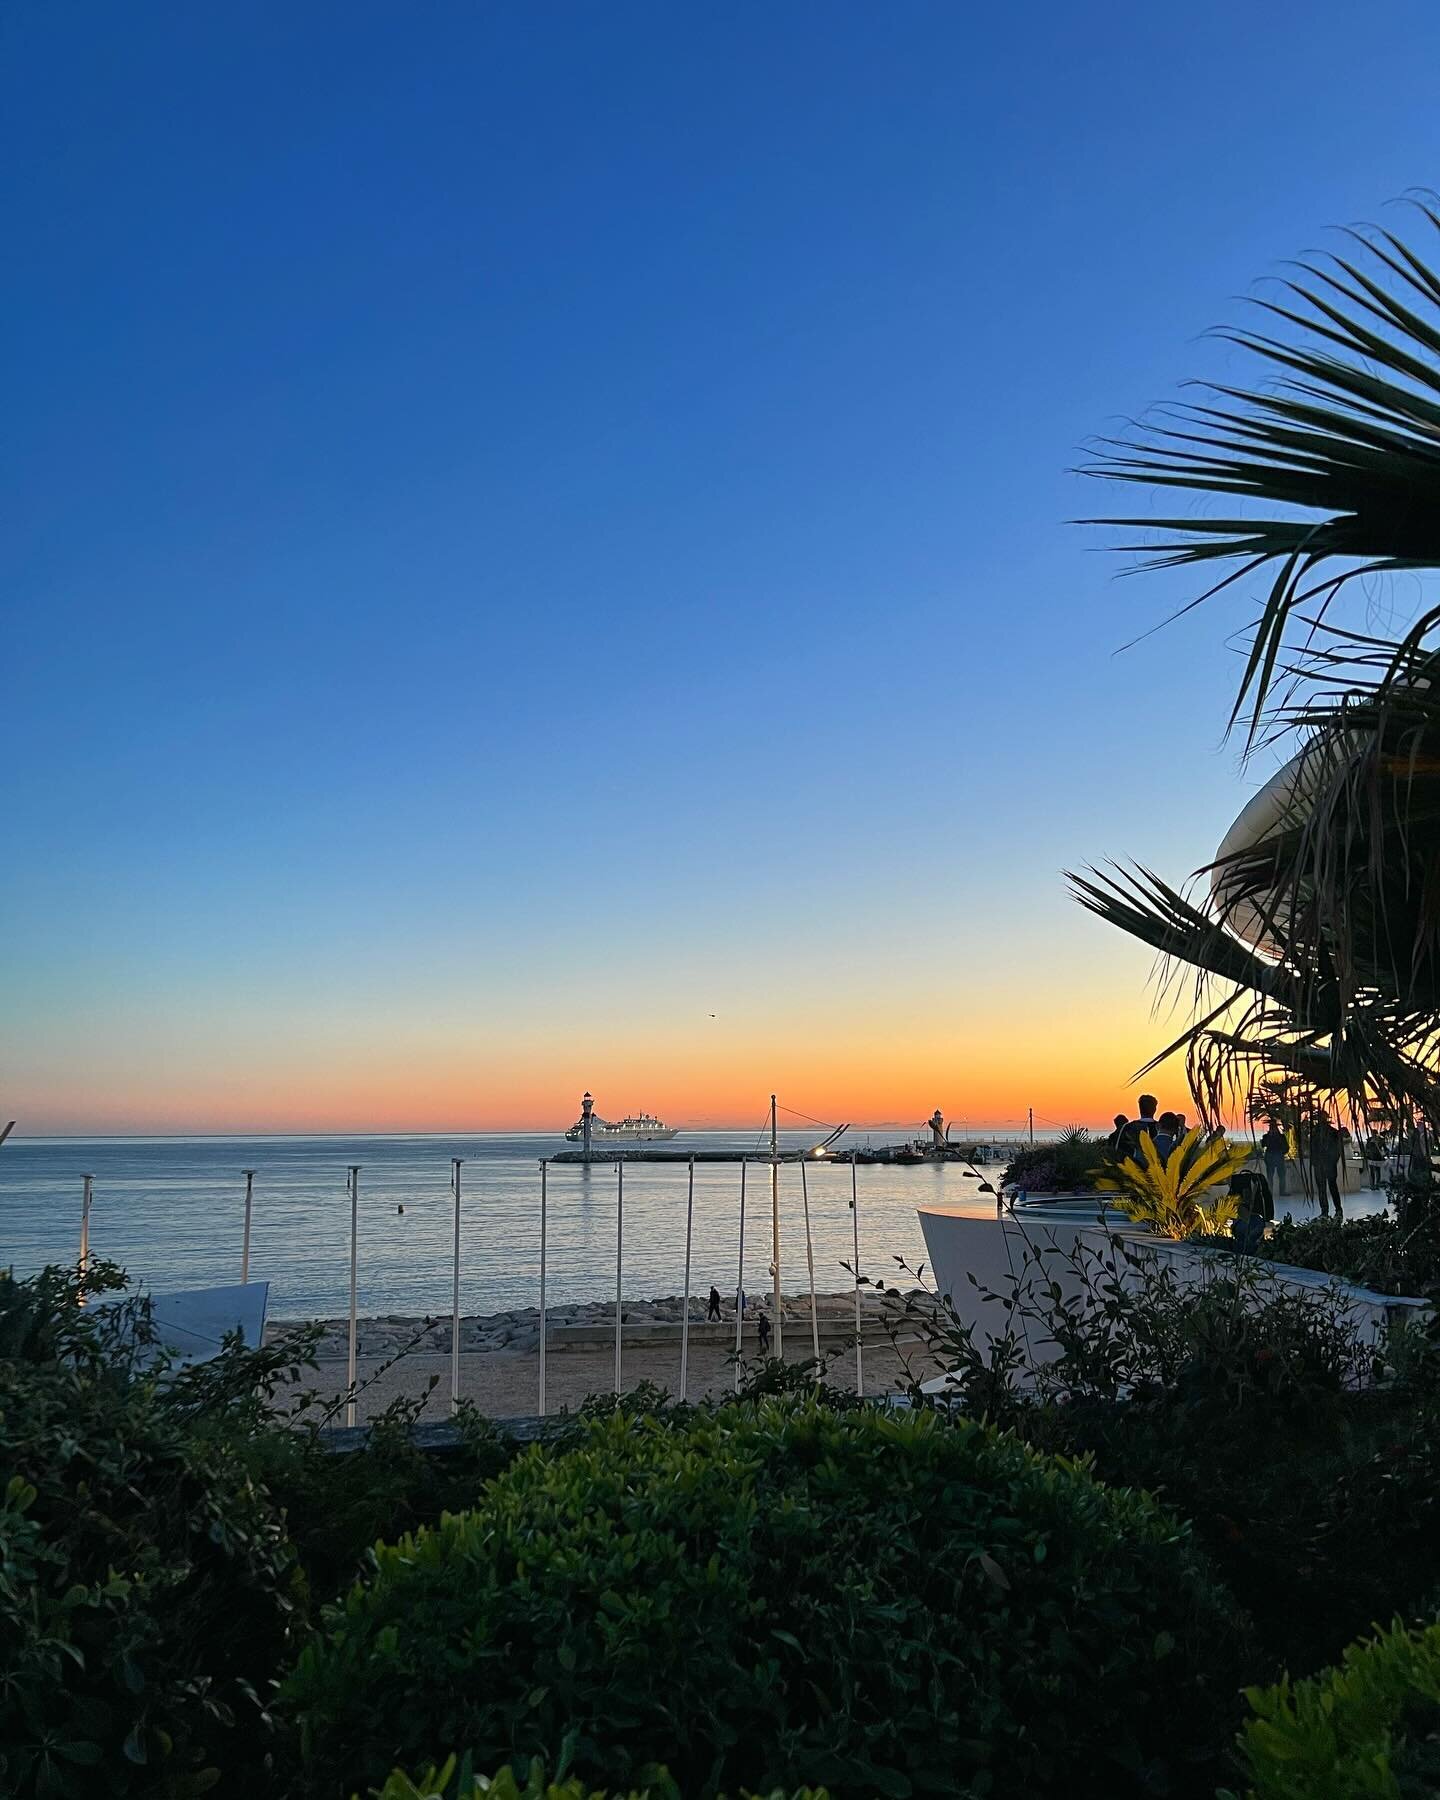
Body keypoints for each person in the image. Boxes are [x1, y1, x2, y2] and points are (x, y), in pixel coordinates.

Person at [1229, 1165, 1274, 1254]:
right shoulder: (1255, 1219)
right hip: (1249, 1223)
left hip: (1247, 1223)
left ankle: (1245, 1249)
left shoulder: (1243, 1211)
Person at [1310, 1115, 1343, 1219]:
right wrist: (1315, 1162)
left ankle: (1337, 1210)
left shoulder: (1333, 1132)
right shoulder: (1315, 1133)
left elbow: (1337, 1149)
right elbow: (1312, 1148)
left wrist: (1333, 1161)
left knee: (1331, 1188)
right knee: (1323, 1189)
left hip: (1328, 1164)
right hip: (1320, 1164)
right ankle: (1326, 1211)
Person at [1116, 1095, 1160, 1164]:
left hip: (1131, 1169)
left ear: (1139, 1108)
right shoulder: (1161, 1128)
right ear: (1155, 1109)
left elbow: (1119, 1151)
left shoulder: (1127, 1127)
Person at [1260, 1119, 1288, 1198]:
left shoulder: (1281, 1136)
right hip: (1270, 1156)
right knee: (1270, 1175)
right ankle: (1270, 1192)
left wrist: (1282, 1153)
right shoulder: (1266, 1136)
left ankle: (1282, 1191)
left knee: (1282, 1175)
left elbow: (1286, 1147)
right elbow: (1263, 1145)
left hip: (1279, 1155)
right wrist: (1269, 1136)